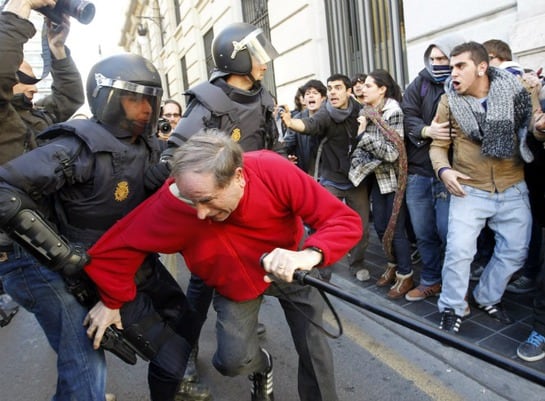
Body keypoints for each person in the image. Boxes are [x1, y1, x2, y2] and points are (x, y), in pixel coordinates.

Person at [82, 129, 362, 401]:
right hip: (233, 286)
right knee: (232, 362)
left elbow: (344, 221)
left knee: (313, 348)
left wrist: (309, 255)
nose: (200, 213)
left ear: (238, 177)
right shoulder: (172, 201)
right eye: (193, 202)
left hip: (291, 266)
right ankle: (261, 367)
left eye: (207, 200)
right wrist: (112, 299)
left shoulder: (272, 169)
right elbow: (118, 246)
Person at [0, 53, 209, 401]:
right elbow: (6, 190)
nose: (144, 108)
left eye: (149, 99)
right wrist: (63, 255)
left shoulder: (149, 145)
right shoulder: (76, 146)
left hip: (134, 263)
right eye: (133, 98)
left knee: (185, 321)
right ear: (106, 98)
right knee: (97, 368)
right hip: (88, 269)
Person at [151, 22, 281, 394]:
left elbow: (272, 152)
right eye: (257, 55)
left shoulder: (264, 99)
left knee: (255, 277)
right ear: (237, 56)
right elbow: (173, 155)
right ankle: (186, 352)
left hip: (252, 209)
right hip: (213, 211)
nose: (264, 63)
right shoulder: (207, 102)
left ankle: (251, 349)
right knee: (202, 285)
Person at [430, 41, 533, 333]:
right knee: (459, 251)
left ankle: (487, 296)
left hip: (512, 185)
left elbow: (533, 126)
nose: (453, 73)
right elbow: (438, 146)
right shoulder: (448, 101)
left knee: (516, 251)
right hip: (468, 188)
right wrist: (444, 170)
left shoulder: (517, 93)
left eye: (460, 66)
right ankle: (452, 306)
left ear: (482, 67)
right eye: (451, 67)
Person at [281, 73, 369, 282]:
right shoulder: (325, 113)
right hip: (330, 179)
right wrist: (290, 123)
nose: (332, 92)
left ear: (348, 91)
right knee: (323, 224)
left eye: (337, 88)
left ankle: (357, 264)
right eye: (329, 88)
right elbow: (310, 125)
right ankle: (323, 265)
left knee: (361, 226)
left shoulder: (360, 111)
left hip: (356, 178)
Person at [400, 34, 462, 302]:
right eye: (433, 58)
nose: (436, 64)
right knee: (423, 232)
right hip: (419, 171)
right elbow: (407, 115)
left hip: (451, 170)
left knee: (449, 233)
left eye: (442, 59)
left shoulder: (462, 84)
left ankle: (453, 287)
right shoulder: (420, 83)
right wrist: (428, 130)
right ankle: (430, 280)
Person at [349, 69, 414, 298]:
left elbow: (392, 153)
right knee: (380, 227)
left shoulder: (392, 111)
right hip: (377, 177)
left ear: (382, 89)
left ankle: (405, 274)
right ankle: (393, 265)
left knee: (394, 229)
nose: (362, 89)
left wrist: (363, 135)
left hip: (394, 179)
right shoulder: (368, 111)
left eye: (368, 85)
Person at [283, 79, 327, 176]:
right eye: (307, 94)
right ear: (303, 99)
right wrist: (286, 158)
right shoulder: (297, 119)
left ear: (323, 98)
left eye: (315, 93)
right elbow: (287, 144)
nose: (311, 95)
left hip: (327, 177)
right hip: (306, 174)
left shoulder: (330, 117)